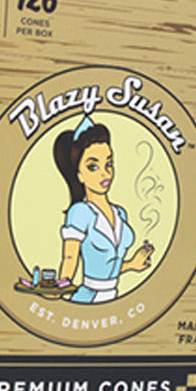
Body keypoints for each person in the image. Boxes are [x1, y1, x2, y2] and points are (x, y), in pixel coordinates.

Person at [53, 115, 153, 303]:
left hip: (113, 296)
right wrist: (58, 288)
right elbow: (70, 259)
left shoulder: (120, 213)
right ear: (79, 174)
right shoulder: (80, 213)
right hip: (88, 297)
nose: (105, 173)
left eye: (108, 164)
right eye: (93, 167)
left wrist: (132, 264)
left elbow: (108, 266)